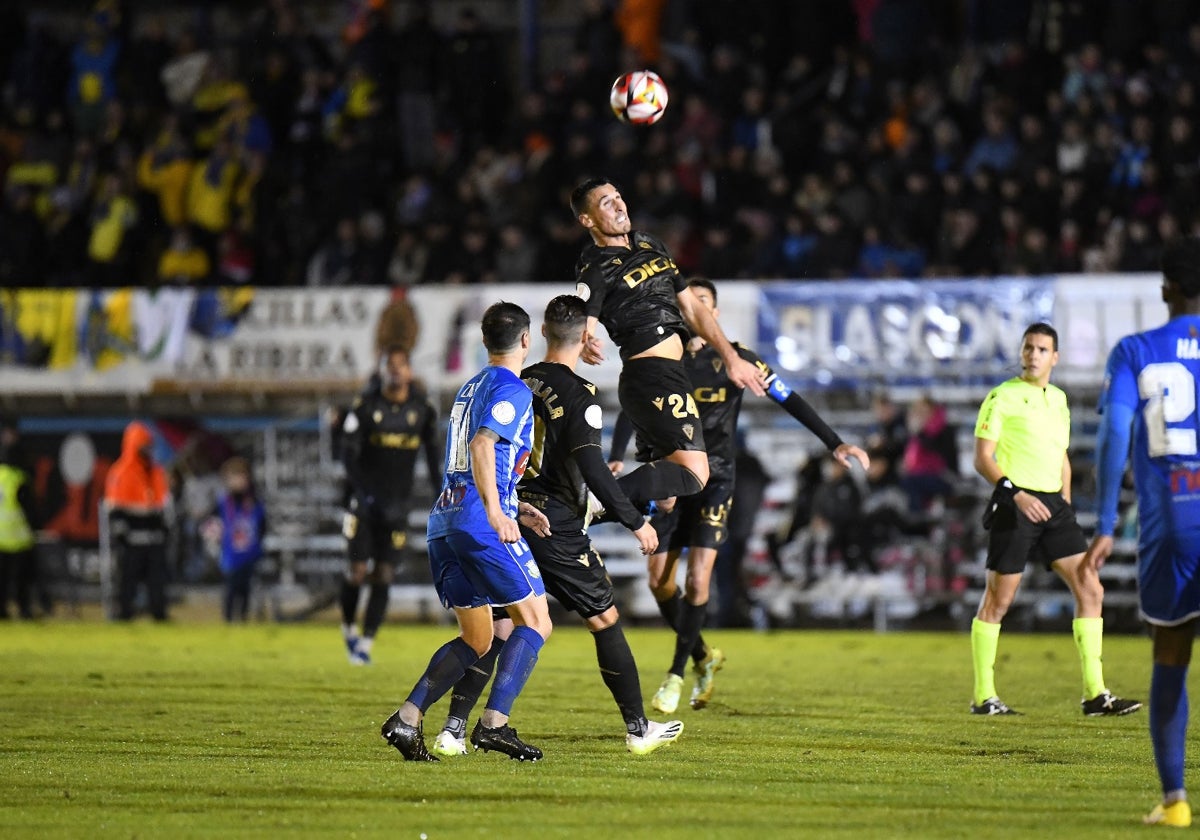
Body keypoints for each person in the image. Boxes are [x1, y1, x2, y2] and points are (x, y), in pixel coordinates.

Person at [430, 295, 682, 757]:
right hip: (554, 523)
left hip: (510, 515)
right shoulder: (581, 395)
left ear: (541, 333)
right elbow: (592, 467)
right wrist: (632, 520)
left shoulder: (518, 380)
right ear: (587, 337)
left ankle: (452, 729)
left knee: (502, 625)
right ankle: (638, 728)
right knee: (603, 618)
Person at [609, 279, 869, 713]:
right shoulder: (663, 358)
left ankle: (676, 675)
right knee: (659, 583)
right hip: (672, 478)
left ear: (713, 315)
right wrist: (617, 457)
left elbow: (789, 398)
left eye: (704, 306)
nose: (695, 313)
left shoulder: (735, 359)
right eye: (690, 305)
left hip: (717, 479)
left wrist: (834, 443)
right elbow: (634, 405)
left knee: (697, 580)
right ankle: (704, 657)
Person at [380, 302, 554, 763]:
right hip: (480, 522)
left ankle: (407, 717)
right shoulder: (512, 389)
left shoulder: (469, 387)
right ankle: (493, 725)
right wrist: (499, 514)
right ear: (525, 340)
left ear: (483, 342)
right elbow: (482, 445)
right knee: (536, 621)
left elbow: (472, 459)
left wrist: (520, 505)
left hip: (446, 521)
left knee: (478, 639)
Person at [1083, 237, 1200, 828]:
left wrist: (1105, 523)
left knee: (1172, 652)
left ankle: (1176, 801)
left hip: (1175, 521)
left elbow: (1111, 438)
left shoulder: (1135, 350)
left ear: (1165, 289)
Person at [969, 322, 1141, 717]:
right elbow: (983, 458)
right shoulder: (1002, 397)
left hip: (1054, 508)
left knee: (1090, 589)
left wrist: (1064, 502)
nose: (1033, 355)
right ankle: (983, 696)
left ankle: (1096, 694)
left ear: (1055, 357)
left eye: (1041, 349)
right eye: (1028, 348)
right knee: (999, 600)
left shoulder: (1059, 400)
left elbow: (1060, 455)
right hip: (1015, 504)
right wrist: (1016, 494)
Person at [570, 178, 767, 516]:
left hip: (665, 376)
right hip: (652, 377)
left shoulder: (649, 244)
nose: (619, 205)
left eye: (619, 197)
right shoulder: (594, 267)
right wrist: (584, 339)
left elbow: (691, 307)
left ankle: (582, 519)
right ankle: (583, 508)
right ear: (587, 220)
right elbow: (583, 318)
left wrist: (730, 357)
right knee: (693, 474)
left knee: (665, 500)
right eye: (606, 202)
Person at [339, 346, 441, 664]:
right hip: (365, 504)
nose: (395, 371)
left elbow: (434, 456)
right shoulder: (366, 408)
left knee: (383, 573)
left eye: (401, 365)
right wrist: (365, 493)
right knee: (357, 570)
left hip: (398, 505)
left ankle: (366, 643)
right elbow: (348, 456)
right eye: (390, 365)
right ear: (383, 370)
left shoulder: (422, 410)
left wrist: (442, 491)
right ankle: (347, 627)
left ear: (410, 371)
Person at [104, 421, 172, 621]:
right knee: (127, 581)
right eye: (143, 445)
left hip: (154, 536)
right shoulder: (121, 472)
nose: (147, 450)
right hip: (132, 539)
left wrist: (164, 528)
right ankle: (124, 614)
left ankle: (158, 614)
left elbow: (161, 504)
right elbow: (115, 508)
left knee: (157, 582)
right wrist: (121, 534)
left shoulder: (155, 472)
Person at [206, 456, 266, 623]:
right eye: (234, 478)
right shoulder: (223, 503)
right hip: (230, 555)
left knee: (245, 589)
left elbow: (262, 526)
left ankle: (243, 619)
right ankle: (228, 619)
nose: (239, 482)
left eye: (242, 477)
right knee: (231, 588)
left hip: (249, 554)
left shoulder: (255, 502)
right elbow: (211, 525)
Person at [0, 434, 38, 619]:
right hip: (17, 538)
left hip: (0, 538)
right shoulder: (18, 479)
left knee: (2, 580)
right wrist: (35, 528)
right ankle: (24, 610)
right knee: (22, 580)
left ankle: (2, 612)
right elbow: (29, 508)